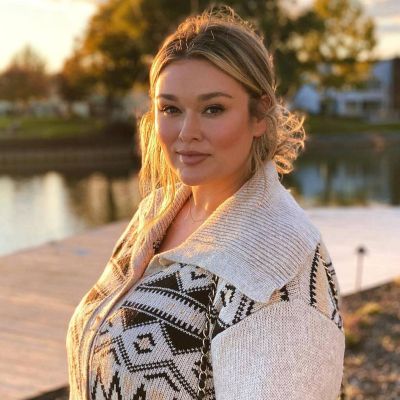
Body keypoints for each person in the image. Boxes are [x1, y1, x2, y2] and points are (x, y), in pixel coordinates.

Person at [66, 5, 345, 400]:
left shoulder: (279, 267)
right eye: (170, 109)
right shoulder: (156, 212)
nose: (187, 132)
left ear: (259, 113)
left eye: (213, 109)